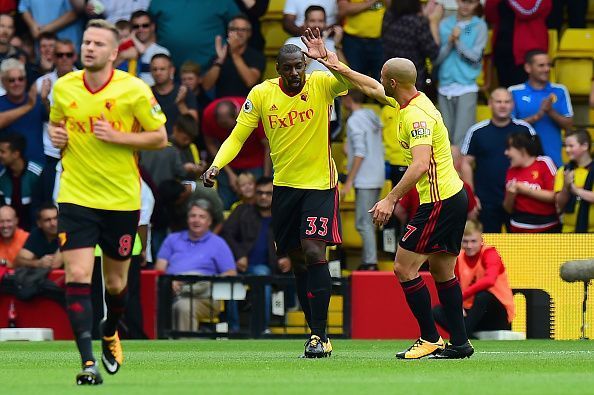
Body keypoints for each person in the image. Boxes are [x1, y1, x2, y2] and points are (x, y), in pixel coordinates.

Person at [302, 28, 473, 358]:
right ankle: (461, 344)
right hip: (453, 197)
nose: (380, 81)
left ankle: (430, 338)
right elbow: (369, 86)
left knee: (403, 268)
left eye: (384, 77)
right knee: (442, 271)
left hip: (439, 202)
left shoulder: (416, 116)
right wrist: (333, 64)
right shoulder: (414, 99)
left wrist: (390, 198)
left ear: (394, 82)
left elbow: (421, 164)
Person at [202, 42, 349, 358]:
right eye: (288, 67)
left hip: (321, 184)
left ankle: (320, 335)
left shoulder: (321, 83)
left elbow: (348, 82)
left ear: (306, 64)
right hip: (284, 187)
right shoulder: (261, 94)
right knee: (297, 262)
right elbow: (238, 135)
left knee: (313, 249)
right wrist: (216, 164)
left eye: (300, 66)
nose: (295, 72)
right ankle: (314, 331)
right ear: (278, 69)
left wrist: (332, 61)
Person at [48, 19, 167, 385]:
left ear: (114, 52)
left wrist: (116, 135)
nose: (89, 48)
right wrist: (56, 137)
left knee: (116, 286)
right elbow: (57, 130)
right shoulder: (64, 87)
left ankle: (110, 330)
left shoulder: (133, 90)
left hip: (120, 200)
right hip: (76, 196)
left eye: (98, 43)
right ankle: (87, 364)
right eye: (86, 42)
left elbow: (160, 137)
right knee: (79, 276)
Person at [461, 88, 536, 232]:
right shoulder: (477, 131)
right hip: (485, 201)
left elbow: (536, 161)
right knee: (489, 245)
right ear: (490, 104)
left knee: (520, 247)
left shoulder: (525, 130)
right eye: (498, 101)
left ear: (513, 104)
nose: (503, 105)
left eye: (507, 102)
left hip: (520, 199)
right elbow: (466, 163)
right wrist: (472, 197)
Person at [155, 198, 236, 332]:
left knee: (184, 307)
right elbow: (159, 269)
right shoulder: (172, 239)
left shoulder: (218, 243)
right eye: (193, 216)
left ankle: (186, 350)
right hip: (170, 292)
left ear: (209, 222)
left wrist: (204, 282)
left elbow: (231, 273)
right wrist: (168, 282)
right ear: (187, 219)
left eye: (202, 217)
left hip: (204, 296)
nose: (196, 220)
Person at [221, 176, 286, 331]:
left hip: (270, 269)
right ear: (254, 194)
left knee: (261, 274)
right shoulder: (242, 211)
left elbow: (295, 238)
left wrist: (287, 257)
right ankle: (233, 329)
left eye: (268, 193)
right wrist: (239, 255)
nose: (263, 197)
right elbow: (226, 234)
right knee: (230, 279)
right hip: (239, 266)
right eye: (260, 193)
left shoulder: (282, 216)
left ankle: (260, 329)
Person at [432, 219, 515, 337]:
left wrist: (463, 296)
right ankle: (466, 335)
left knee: (483, 296)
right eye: (465, 242)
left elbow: (489, 280)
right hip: (472, 312)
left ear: (481, 240)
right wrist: (457, 303)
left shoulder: (490, 253)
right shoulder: (458, 258)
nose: (469, 246)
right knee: (438, 311)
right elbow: (452, 285)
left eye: (473, 241)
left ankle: (462, 335)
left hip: (497, 314)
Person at [434, 0, 487, 149]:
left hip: (467, 86)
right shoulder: (445, 24)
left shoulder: (478, 26)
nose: (466, 6)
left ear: (477, 4)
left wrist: (457, 41)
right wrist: (450, 42)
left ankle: (460, 171)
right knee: (443, 137)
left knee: (461, 139)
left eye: (471, 2)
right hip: (444, 85)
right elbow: (436, 58)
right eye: (464, 1)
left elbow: (475, 57)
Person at [342, 89, 384, 271]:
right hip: (378, 174)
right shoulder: (371, 115)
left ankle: (370, 262)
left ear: (348, 99)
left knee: (363, 222)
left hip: (365, 178)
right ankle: (370, 259)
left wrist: (350, 180)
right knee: (370, 222)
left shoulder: (353, 120)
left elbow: (360, 152)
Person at [201, 97, 270, 209]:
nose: (225, 129)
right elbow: (210, 144)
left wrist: (266, 178)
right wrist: (228, 173)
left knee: (258, 201)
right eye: (221, 125)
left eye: (227, 125)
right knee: (223, 203)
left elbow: (267, 145)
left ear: (237, 115)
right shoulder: (208, 114)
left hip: (255, 161)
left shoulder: (253, 111)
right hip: (226, 162)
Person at [509, 50, 573, 167]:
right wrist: (537, 116)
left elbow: (569, 125)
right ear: (528, 67)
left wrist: (550, 111)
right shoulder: (514, 92)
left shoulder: (560, 90)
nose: (547, 69)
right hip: (522, 162)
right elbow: (509, 127)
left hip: (553, 161)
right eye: (541, 65)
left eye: (549, 65)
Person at [35, 38, 78, 203]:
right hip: (51, 152)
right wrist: (44, 99)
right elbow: (43, 118)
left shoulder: (85, 80)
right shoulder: (41, 83)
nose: (65, 59)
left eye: (69, 54)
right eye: (60, 55)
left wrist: (46, 100)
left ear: (75, 57)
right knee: (51, 201)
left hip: (78, 150)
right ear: (53, 57)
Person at [485, 0, 551, 87]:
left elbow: (527, 11)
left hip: (526, 54)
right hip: (502, 49)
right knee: (506, 95)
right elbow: (491, 15)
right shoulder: (471, 26)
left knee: (524, 94)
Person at [503, 131, 559, 233]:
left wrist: (525, 190)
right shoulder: (511, 170)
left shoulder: (544, 163)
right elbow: (508, 209)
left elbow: (555, 197)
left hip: (547, 228)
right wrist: (510, 196)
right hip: (518, 229)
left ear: (522, 149)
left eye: (509, 148)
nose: (506, 153)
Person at [202, 14, 266, 99]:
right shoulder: (220, 54)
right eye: (235, 29)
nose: (239, 33)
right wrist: (219, 61)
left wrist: (234, 53)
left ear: (249, 33)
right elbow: (206, 86)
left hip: (248, 104)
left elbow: (250, 81)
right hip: (221, 104)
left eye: (243, 30)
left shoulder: (256, 56)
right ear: (228, 32)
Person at [382, 0, 439, 90]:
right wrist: (433, 22)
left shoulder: (388, 16)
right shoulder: (418, 23)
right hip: (412, 82)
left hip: (389, 78)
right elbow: (433, 53)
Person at [0, 58, 46, 165]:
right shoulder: (31, 102)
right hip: (6, 171)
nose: (17, 83)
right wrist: (28, 107)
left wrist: (45, 100)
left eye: (21, 79)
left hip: (37, 167)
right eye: (12, 80)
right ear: (3, 82)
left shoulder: (37, 101)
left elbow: (53, 117)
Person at [0, 133, 42, 231]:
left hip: (35, 233)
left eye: (3, 152)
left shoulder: (38, 173)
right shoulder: (1, 178)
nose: (0, 155)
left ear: (16, 154)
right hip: (9, 233)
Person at [554, 129, 594, 233]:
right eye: (565, 146)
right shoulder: (563, 171)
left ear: (585, 146)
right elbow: (560, 204)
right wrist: (566, 187)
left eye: (571, 146)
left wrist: (575, 191)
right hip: (569, 230)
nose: (567, 150)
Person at [337, 0, 388, 80]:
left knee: (381, 79)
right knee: (354, 79)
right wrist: (370, 2)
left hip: (380, 41)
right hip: (353, 41)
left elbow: (393, 7)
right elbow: (343, 10)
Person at [150, 53, 198, 135]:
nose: (158, 73)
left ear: (172, 70)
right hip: (154, 142)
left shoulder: (184, 92)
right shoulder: (147, 93)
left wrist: (181, 104)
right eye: (155, 69)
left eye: (162, 69)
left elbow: (194, 125)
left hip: (179, 145)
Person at [14, 202, 61, 270]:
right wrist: (37, 263)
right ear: (39, 223)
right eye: (47, 220)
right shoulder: (37, 234)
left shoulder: (67, 233)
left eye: (56, 218)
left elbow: (55, 264)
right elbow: (18, 261)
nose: (53, 223)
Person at [129, 10, 170, 86]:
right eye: (136, 26)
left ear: (153, 27)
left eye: (145, 25)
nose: (140, 29)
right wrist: (122, 56)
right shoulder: (126, 50)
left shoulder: (161, 51)